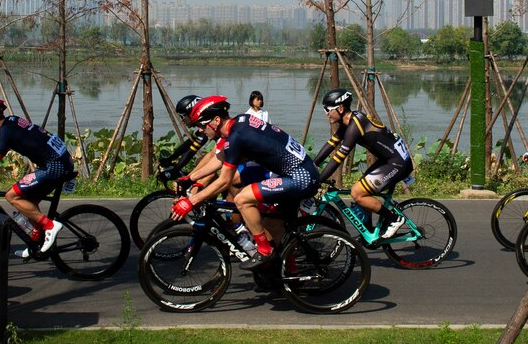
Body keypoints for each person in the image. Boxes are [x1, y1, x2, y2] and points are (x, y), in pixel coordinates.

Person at [174, 94, 319, 265]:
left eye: (202, 125)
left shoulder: (236, 137)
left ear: (216, 120)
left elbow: (224, 181)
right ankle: (290, 271)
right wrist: (189, 178)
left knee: (242, 199)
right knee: (272, 224)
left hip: (300, 177)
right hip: (301, 171)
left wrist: (192, 201)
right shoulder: (241, 122)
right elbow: (219, 159)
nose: (200, 130)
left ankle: (265, 251)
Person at [0, 100, 71, 255]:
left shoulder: (5, 132)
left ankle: (49, 226)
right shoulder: (10, 122)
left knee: (12, 196)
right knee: (28, 204)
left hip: (54, 166)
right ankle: (36, 243)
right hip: (61, 161)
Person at [312, 87, 412, 238]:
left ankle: (395, 219)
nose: (326, 113)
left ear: (340, 109)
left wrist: (318, 180)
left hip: (397, 163)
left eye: (328, 109)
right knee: (361, 190)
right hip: (389, 159)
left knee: (357, 192)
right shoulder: (348, 122)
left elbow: (339, 157)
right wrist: (313, 165)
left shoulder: (354, 127)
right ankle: (369, 232)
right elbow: (331, 144)